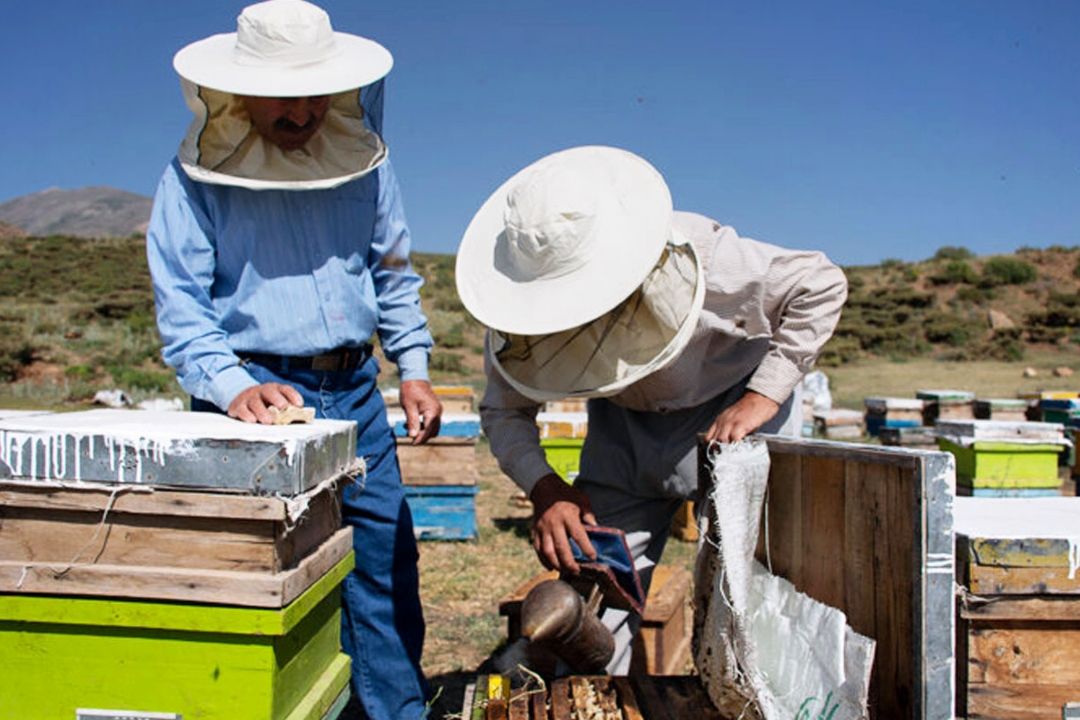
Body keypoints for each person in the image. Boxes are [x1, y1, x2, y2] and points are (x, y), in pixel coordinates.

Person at [145, 2, 441, 717]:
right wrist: (231, 385)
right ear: (237, 91)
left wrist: (415, 364)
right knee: (276, 585)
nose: (303, 111)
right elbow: (182, 303)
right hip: (256, 404)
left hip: (359, 394)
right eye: (283, 94)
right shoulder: (193, 179)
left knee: (385, 565)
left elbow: (394, 267)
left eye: (315, 93)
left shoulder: (367, 165)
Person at [454, 145, 848, 672]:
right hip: (623, 432)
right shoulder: (514, 309)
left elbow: (818, 284)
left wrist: (763, 396)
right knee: (596, 581)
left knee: (750, 589)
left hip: (732, 415)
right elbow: (504, 412)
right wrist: (545, 487)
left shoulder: (702, 251)